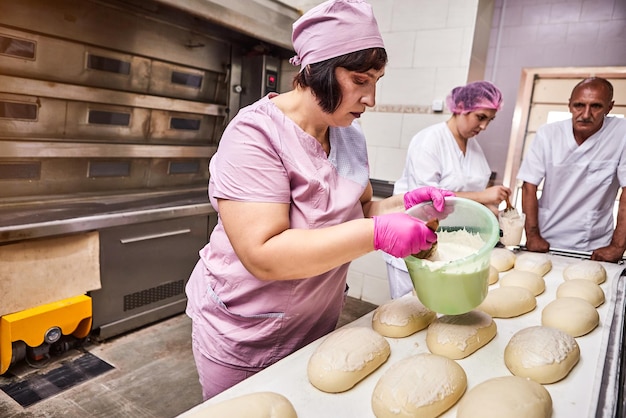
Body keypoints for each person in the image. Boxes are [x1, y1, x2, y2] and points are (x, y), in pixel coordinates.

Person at [184, 0, 453, 400]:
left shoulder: (347, 133)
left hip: (316, 326)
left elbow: (360, 212)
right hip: (246, 332)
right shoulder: (254, 136)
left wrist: (407, 204)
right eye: (360, 80)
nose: (371, 98)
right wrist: (378, 233)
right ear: (316, 71)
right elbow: (263, 253)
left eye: (376, 81)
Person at [383, 81, 511, 299]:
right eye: (480, 117)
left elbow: (469, 192)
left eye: (490, 120)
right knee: (410, 308)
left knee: (444, 313)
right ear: (460, 107)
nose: (484, 127)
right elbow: (428, 199)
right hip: (416, 240)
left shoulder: (475, 148)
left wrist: (489, 207)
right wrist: (483, 196)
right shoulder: (429, 141)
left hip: (453, 245)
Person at [517, 77, 626, 262]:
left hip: (594, 242)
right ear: (569, 105)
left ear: (609, 107)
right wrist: (532, 235)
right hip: (548, 235)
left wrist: (617, 246)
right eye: (579, 105)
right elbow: (529, 186)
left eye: (596, 106)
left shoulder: (621, 134)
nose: (585, 114)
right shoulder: (549, 134)